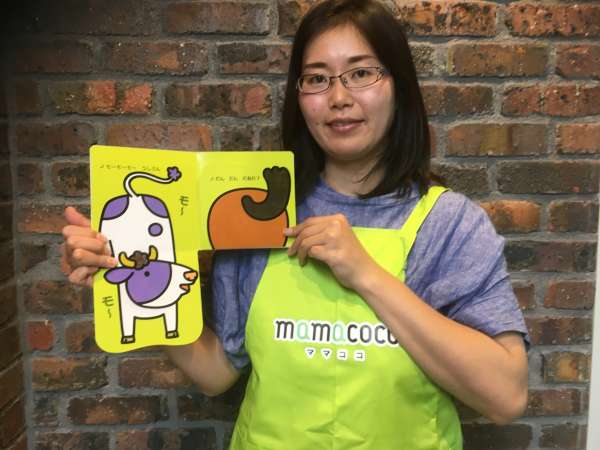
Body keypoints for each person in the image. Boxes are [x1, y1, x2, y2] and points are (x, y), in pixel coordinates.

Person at [61, 0, 529, 448]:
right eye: (317, 79)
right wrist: (122, 280)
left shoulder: (449, 225)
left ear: (398, 85)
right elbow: (215, 372)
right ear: (299, 98)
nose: (339, 98)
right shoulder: (260, 212)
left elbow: (505, 397)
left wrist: (365, 274)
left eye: (361, 73)